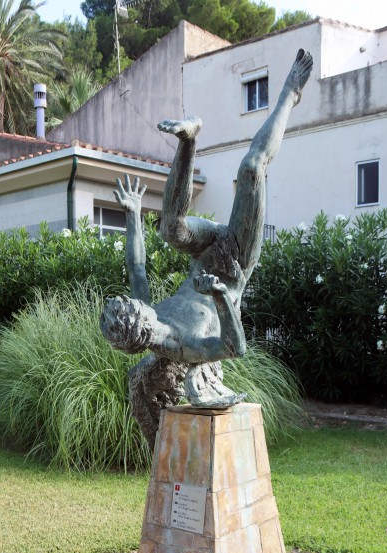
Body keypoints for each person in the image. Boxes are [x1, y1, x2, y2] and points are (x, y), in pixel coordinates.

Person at [101, 49, 313, 448]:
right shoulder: (186, 347)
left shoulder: (148, 313)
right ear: (142, 332)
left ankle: (189, 139)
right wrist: (220, 296)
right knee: (251, 168)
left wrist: (131, 215)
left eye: (137, 304)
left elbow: (138, 267)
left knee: (170, 229)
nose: (139, 303)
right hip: (233, 259)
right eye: (137, 309)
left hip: (203, 250)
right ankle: (289, 94)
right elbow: (235, 347)